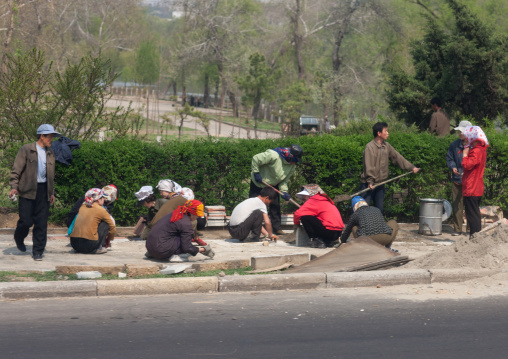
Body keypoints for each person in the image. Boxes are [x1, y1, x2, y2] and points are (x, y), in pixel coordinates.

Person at [9, 124, 61, 261]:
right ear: (42, 136)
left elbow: (50, 175)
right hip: (27, 190)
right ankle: (19, 237)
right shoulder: (26, 149)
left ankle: (38, 251)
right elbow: (16, 170)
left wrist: (51, 192)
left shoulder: (50, 153)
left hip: (44, 191)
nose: (52, 139)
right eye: (50, 136)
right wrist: (14, 187)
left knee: (41, 223)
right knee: (26, 221)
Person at [361, 122, 420, 213]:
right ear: (379, 133)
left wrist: (411, 167)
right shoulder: (370, 147)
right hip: (368, 184)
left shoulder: (386, 146)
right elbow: (369, 166)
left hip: (380, 184)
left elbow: (398, 158)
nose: (388, 133)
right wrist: (370, 181)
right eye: (386, 131)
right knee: (364, 210)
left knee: (379, 210)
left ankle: (378, 227)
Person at [250, 144, 303, 235]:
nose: (295, 162)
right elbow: (256, 158)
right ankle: (254, 230)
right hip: (258, 182)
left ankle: (277, 228)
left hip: (273, 185)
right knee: (254, 207)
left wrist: (284, 192)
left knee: (275, 205)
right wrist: (256, 172)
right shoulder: (273, 155)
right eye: (295, 159)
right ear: (291, 156)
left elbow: (284, 180)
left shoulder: (292, 166)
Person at [145, 199, 214, 261]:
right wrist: (203, 249)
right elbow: (187, 247)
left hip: (150, 247)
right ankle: (174, 256)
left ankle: (155, 252)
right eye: (197, 214)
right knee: (184, 240)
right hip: (161, 250)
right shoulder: (186, 224)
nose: (198, 217)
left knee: (177, 236)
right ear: (192, 213)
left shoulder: (175, 213)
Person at [293, 184, 344, 248]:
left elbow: (298, 214)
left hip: (329, 232)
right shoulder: (324, 200)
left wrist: (296, 224)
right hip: (337, 233)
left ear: (310, 195)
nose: (302, 199)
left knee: (304, 217)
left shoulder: (314, 200)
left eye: (304, 197)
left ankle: (317, 240)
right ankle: (326, 241)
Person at [69, 188, 117, 254]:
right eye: (103, 197)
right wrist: (109, 239)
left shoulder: (82, 207)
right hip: (89, 245)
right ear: (98, 199)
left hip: (74, 245)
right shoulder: (101, 210)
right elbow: (112, 227)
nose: (104, 200)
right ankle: (100, 247)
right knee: (105, 224)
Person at [462, 125, 488, 238]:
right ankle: (475, 237)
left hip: (471, 187)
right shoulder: (481, 150)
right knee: (475, 213)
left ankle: (475, 238)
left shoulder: (476, 151)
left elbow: (467, 165)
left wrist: (464, 155)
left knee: (472, 215)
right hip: (476, 186)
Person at [446, 120, 472, 236]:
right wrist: (453, 167)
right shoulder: (454, 145)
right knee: (457, 205)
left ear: (468, 132)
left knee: (470, 205)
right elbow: (450, 159)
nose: (459, 133)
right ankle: (457, 229)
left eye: (461, 131)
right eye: (459, 131)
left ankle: (471, 230)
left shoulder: (474, 145)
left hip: (470, 180)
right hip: (457, 179)